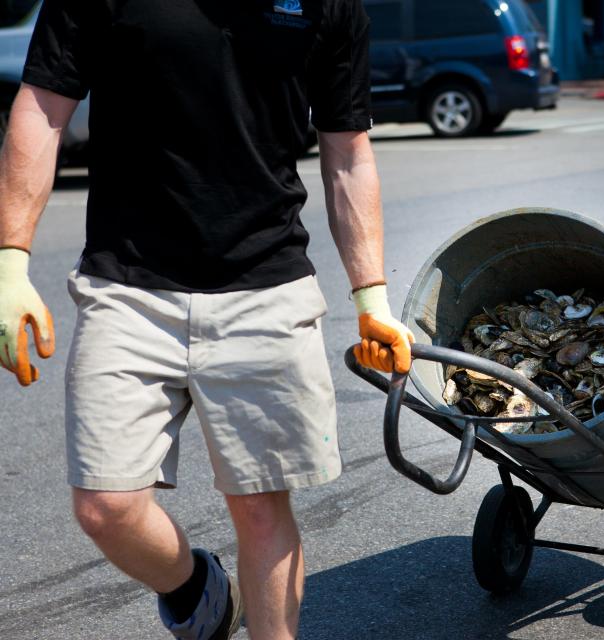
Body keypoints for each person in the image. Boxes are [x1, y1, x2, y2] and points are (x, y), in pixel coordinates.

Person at [0, 0, 412, 638]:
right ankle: (197, 588)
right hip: (127, 286)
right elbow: (42, 108)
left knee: (259, 506)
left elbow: (348, 154)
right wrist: (10, 262)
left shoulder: (328, 4)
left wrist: (371, 296)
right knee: (105, 506)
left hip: (266, 288)